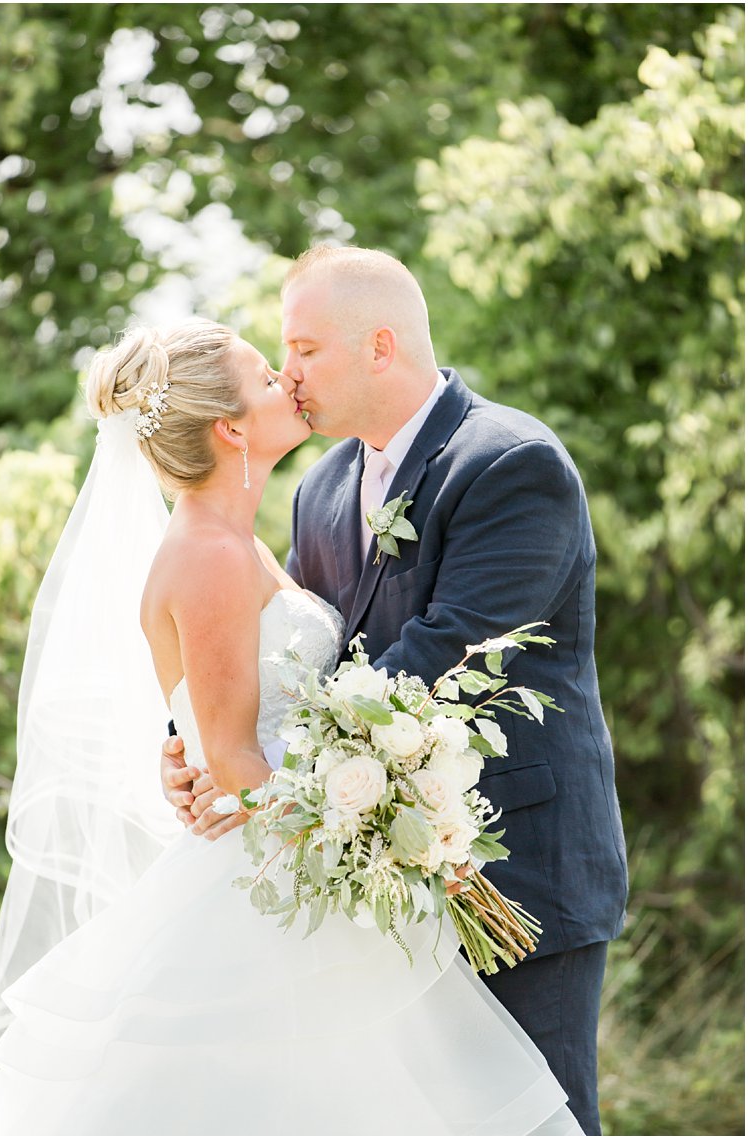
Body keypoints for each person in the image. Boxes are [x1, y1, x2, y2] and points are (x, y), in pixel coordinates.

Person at [0, 321, 580, 1134]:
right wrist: (363, 826)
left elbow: (237, 707)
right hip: (274, 879)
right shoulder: (209, 553)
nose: (289, 381)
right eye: (270, 374)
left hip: (294, 850)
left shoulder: (244, 542)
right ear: (231, 426)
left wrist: (196, 745)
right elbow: (232, 752)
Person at [162, 248, 628, 1136]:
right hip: (371, 889)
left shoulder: (510, 463)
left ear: (379, 346)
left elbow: (444, 662)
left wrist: (257, 772)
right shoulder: (322, 486)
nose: (286, 373)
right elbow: (295, 668)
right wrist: (200, 743)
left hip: (514, 876)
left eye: (303, 349)